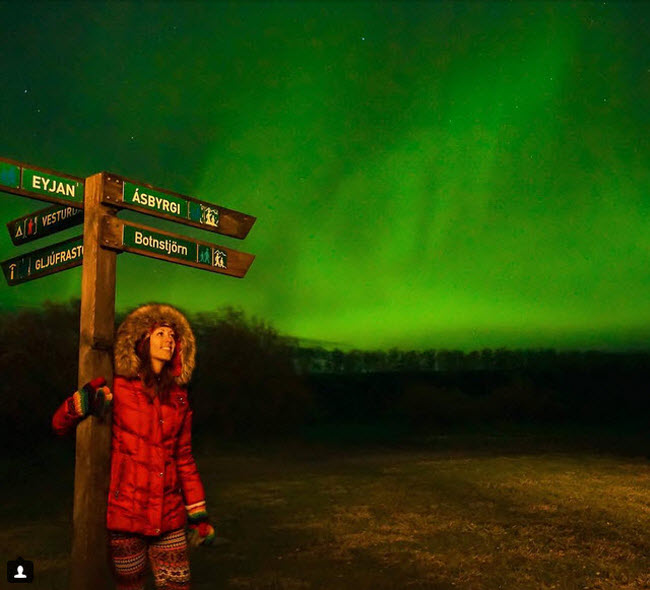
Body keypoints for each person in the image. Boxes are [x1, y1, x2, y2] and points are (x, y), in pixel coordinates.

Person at [52, 303, 215, 590]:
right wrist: (82, 402)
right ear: (142, 340)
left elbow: (184, 458)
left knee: (178, 586)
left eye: (173, 337)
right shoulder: (119, 386)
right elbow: (58, 424)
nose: (169, 340)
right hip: (126, 515)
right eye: (161, 333)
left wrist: (198, 514)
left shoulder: (179, 397)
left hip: (170, 516)